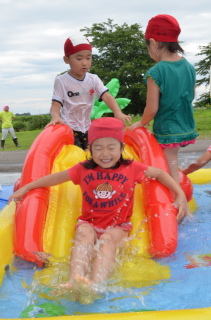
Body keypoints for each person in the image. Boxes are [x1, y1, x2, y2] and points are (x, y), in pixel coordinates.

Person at [8, 117, 190, 301]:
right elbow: (54, 178)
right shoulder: (83, 169)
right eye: (98, 147)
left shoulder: (132, 167)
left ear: (121, 148)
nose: (105, 153)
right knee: (83, 235)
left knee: (108, 240)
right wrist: (26, 187)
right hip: (89, 222)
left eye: (111, 147)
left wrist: (180, 194)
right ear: (90, 149)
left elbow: (159, 173)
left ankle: (96, 285)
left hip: (119, 227)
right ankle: (75, 280)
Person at [128, 14, 198, 184]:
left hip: (168, 129)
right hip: (186, 126)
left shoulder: (156, 72)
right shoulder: (188, 66)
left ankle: (179, 201)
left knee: (170, 166)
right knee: (171, 160)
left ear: (153, 42)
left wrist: (141, 123)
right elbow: (192, 95)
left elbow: (151, 108)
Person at [45, 35, 131, 150]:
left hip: (88, 128)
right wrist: (55, 116)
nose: (84, 63)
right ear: (66, 60)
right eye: (79, 59)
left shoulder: (93, 79)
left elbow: (107, 96)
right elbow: (55, 105)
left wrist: (117, 112)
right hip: (70, 129)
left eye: (88, 58)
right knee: (75, 157)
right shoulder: (61, 81)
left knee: (91, 156)